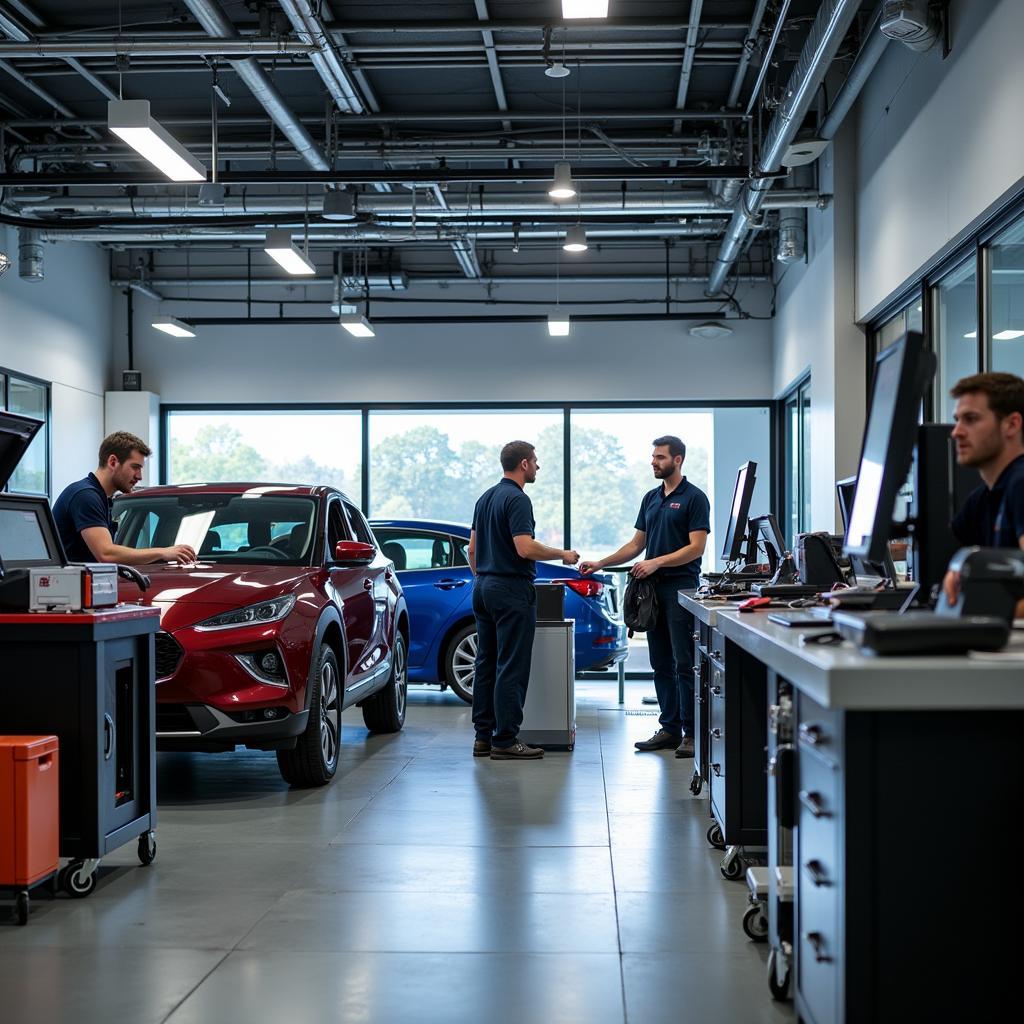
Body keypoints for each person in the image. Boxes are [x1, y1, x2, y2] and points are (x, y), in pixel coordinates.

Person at [581, 435, 709, 757]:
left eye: (660, 457)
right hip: (651, 593)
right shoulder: (651, 498)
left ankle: (691, 734)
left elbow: (696, 547)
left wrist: (657, 562)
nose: (654, 462)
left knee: (684, 663)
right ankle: (669, 729)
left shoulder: (694, 498)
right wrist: (601, 562)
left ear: (677, 460)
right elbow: (636, 545)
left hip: (681, 589)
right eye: (653, 457)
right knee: (660, 663)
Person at [467, 441, 579, 760]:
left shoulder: (485, 498)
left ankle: (482, 737)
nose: (538, 467)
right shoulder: (517, 499)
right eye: (536, 462)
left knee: (486, 663)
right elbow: (525, 548)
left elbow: (472, 549)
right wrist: (563, 554)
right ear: (525, 464)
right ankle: (505, 739)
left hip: (483, 587)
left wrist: (484, 577)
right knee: (511, 665)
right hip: (511, 590)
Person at [52, 431, 195, 565]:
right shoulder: (85, 496)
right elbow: (106, 554)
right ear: (113, 462)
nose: (139, 476)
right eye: (135, 467)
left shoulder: (101, 498)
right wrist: (163, 552)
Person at [943, 372, 1024, 606]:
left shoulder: (1020, 483)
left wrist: (975, 606)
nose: (956, 431)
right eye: (957, 419)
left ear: (1012, 424)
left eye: (970, 419)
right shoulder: (981, 499)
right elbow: (957, 570)